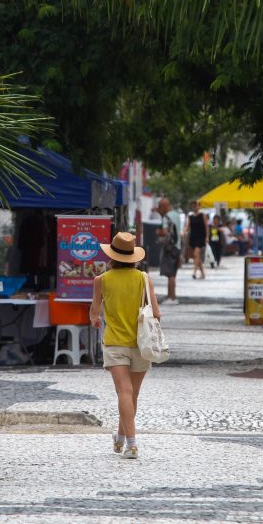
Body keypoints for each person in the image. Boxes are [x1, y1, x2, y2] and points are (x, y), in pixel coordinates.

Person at [90, 232, 160, 460]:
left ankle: (130, 443)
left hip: (114, 343)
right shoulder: (143, 279)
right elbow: (156, 314)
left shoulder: (101, 280)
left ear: (112, 256)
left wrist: (97, 319)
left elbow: (94, 313)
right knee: (132, 394)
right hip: (141, 343)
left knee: (124, 393)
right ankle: (123, 440)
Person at [156, 197, 181, 304]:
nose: (159, 209)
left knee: (170, 274)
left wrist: (158, 232)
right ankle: (171, 295)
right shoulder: (176, 215)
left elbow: (165, 232)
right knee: (173, 273)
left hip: (169, 248)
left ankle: (171, 297)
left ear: (164, 206)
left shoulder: (166, 217)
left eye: (160, 207)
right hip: (178, 246)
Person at [183, 200, 209, 279]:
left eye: (196, 205)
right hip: (193, 238)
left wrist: (207, 237)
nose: (194, 207)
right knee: (197, 256)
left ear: (199, 206)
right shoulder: (190, 216)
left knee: (196, 254)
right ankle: (203, 273)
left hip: (201, 237)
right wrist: (184, 231)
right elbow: (187, 226)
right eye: (193, 206)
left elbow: (206, 227)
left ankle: (194, 272)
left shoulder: (202, 215)